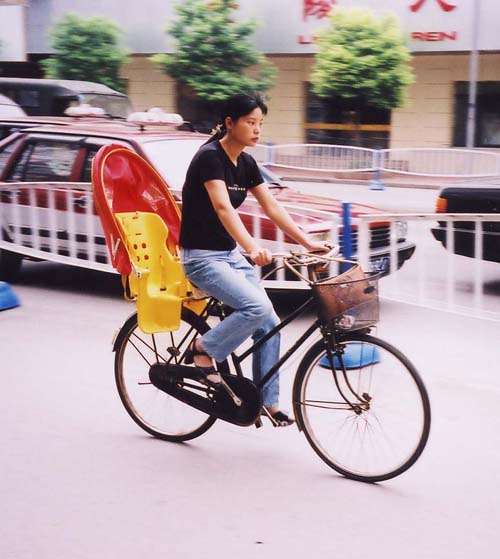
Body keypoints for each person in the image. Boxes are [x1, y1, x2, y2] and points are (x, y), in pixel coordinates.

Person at [179, 93, 329, 427]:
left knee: (269, 322)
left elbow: (272, 207)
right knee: (256, 307)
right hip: (201, 258)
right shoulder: (209, 157)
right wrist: (252, 246)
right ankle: (204, 349)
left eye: (260, 123)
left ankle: (266, 401)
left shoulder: (246, 163)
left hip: (228, 255)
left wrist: (308, 242)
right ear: (229, 123)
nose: (257, 129)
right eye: (250, 122)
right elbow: (223, 208)